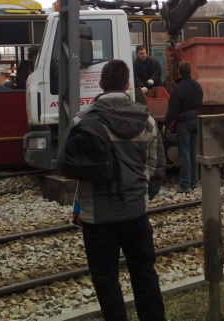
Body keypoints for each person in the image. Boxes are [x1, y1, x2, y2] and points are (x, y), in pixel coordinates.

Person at [58, 59, 166, 321]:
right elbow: (156, 166)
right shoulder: (147, 122)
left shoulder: (81, 121)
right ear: (128, 84)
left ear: (100, 84)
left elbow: (67, 165)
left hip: (97, 218)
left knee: (106, 278)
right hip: (135, 213)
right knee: (144, 271)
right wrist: (143, 194)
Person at [164, 60, 203, 193]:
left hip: (184, 122)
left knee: (185, 153)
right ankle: (194, 182)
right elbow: (200, 101)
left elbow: (172, 109)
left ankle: (185, 184)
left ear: (179, 72)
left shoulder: (178, 89)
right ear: (190, 71)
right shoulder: (197, 85)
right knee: (194, 152)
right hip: (196, 119)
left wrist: (166, 123)